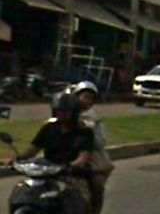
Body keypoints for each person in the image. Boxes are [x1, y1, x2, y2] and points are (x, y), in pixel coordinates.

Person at [7, 92, 94, 213]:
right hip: (46, 172)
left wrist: (71, 166)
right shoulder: (49, 127)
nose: (61, 114)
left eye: (66, 111)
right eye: (59, 110)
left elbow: (84, 156)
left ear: (74, 112)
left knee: (82, 200)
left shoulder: (84, 131)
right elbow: (34, 148)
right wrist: (18, 159)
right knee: (25, 192)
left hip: (71, 175)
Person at [72, 80, 114, 214]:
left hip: (92, 160)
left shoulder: (93, 118)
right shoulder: (66, 113)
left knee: (96, 185)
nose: (86, 100)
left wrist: (87, 132)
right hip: (67, 157)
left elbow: (100, 142)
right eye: (84, 96)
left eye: (90, 98)